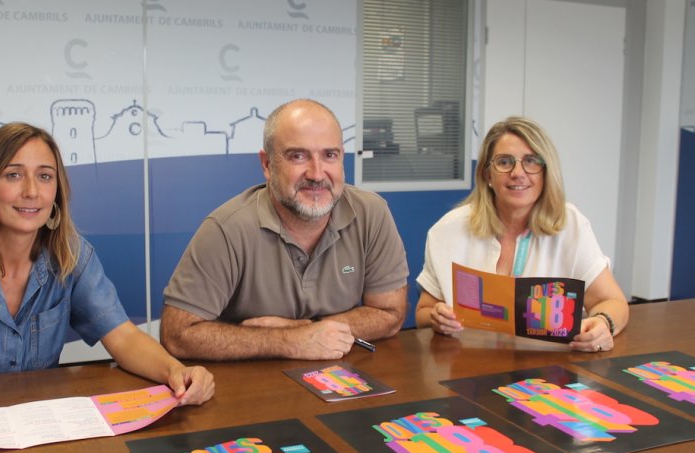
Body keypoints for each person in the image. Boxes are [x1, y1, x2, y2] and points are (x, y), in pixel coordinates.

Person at [0, 122, 215, 451]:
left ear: (57, 192)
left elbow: (123, 337)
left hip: (40, 429)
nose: (31, 191)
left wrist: (176, 371)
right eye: (14, 174)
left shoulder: (72, 256)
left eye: (45, 177)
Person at [160, 99, 409, 361]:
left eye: (329, 155)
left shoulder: (371, 212)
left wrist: (304, 329)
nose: (316, 174)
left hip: (339, 377)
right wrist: (289, 341)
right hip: (251, 387)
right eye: (298, 156)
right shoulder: (226, 228)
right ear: (266, 164)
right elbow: (177, 335)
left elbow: (390, 314)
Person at [415, 116, 629, 352]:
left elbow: (613, 302)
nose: (518, 173)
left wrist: (603, 323)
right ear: (487, 175)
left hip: (549, 371)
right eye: (505, 162)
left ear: (546, 172)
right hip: (468, 366)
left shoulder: (571, 225)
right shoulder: (448, 231)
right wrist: (436, 317)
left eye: (531, 161)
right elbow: (423, 312)